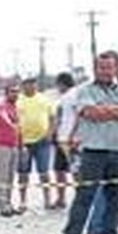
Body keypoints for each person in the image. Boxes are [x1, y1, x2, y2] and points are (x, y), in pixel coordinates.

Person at [61, 50, 118, 234]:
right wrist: (115, 112)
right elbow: (90, 113)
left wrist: (105, 111)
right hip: (92, 151)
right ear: (95, 68)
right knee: (84, 197)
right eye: (101, 67)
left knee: (116, 198)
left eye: (109, 67)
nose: (104, 71)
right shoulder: (83, 91)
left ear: (117, 68)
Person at [16, 77, 56, 211]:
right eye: (27, 84)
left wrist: (50, 133)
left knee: (44, 172)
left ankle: (47, 200)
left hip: (42, 141)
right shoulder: (18, 101)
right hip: (23, 142)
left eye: (33, 84)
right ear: (23, 86)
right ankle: (22, 201)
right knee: (23, 173)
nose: (31, 86)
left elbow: (52, 118)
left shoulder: (44, 99)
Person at [0, 84, 22, 217]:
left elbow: (19, 127)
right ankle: (3, 206)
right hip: (2, 145)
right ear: (6, 93)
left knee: (10, 177)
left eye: (17, 92)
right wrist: (11, 124)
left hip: (13, 145)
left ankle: (9, 203)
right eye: (12, 92)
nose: (15, 94)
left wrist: (21, 144)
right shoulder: (1, 106)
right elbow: (4, 118)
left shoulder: (15, 108)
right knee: (2, 176)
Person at [52, 72, 77, 209]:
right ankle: (61, 199)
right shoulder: (64, 97)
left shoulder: (73, 96)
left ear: (61, 84)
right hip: (62, 137)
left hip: (68, 138)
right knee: (59, 169)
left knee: (74, 169)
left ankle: (79, 198)